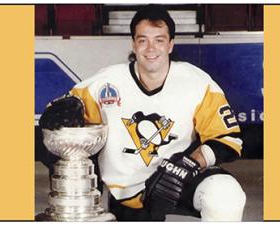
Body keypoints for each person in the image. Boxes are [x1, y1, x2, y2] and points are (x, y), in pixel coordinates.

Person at [39, 4, 246, 221]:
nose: (150, 49)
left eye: (159, 40)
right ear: (133, 44)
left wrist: (188, 164)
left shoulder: (198, 83)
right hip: (124, 194)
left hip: (179, 181)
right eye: (142, 40)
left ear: (170, 45)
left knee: (225, 194)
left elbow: (228, 139)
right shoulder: (105, 83)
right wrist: (56, 114)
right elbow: (59, 113)